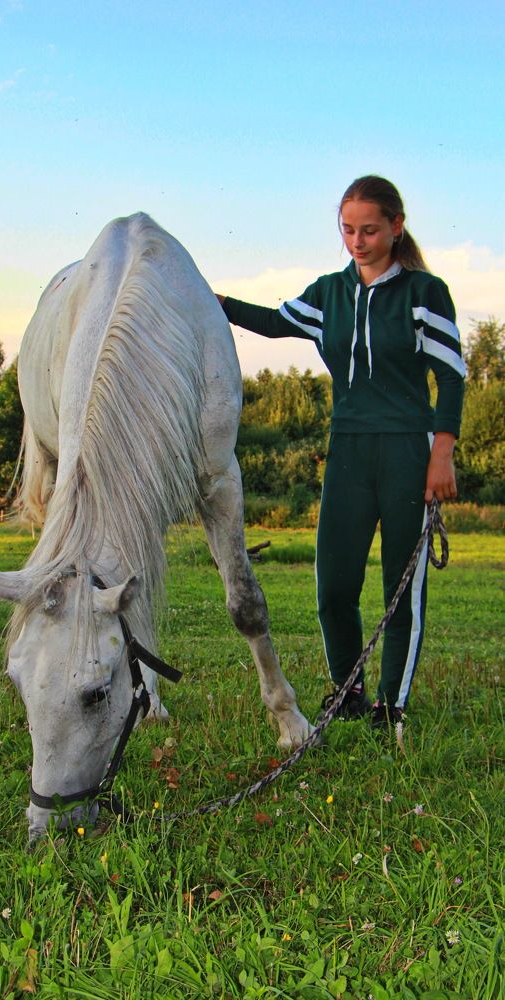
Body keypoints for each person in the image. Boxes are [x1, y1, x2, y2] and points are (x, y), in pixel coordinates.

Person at [216, 175, 465, 729]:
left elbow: (451, 378)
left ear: (396, 228)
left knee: (401, 591)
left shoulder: (426, 293)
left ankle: (391, 705)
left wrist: (441, 452)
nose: (357, 240)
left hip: (409, 449)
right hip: (347, 450)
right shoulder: (330, 292)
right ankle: (348, 692)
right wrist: (219, 304)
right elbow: (278, 323)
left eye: (370, 230)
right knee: (333, 586)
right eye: (348, 229)